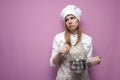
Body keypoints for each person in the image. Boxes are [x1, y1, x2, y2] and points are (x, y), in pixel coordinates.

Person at [50, 4, 102, 80]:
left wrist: (93, 61)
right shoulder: (59, 37)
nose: (69, 21)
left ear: (78, 19)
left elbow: (87, 63)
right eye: (66, 20)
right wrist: (59, 53)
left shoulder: (87, 39)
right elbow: (53, 63)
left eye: (72, 18)